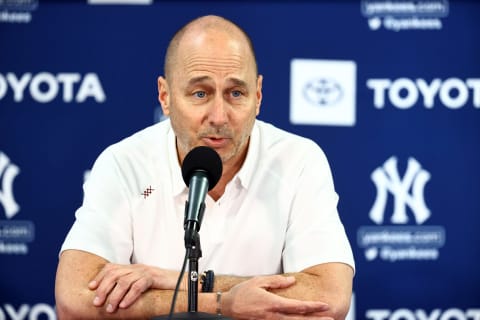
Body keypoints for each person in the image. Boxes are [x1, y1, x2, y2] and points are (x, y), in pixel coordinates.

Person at [55, 14, 355, 320]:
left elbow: (328, 296)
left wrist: (177, 281)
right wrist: (223, 303)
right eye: (200, 93)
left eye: (236, 93)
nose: (219, 117)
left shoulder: (299, 160)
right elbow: (76, 297)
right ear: (165, 96)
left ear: (259, 95)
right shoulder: (124, 163)